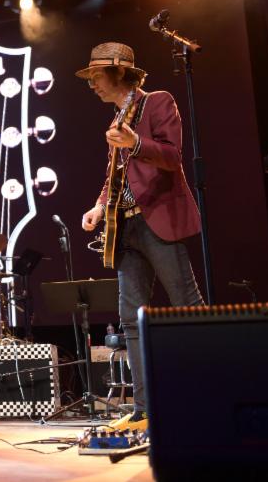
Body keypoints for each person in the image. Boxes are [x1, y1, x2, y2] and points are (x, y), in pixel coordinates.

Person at [77, 42, 204, 432]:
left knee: (186, 305)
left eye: (96, 76)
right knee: (131, 320)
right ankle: (146, 408)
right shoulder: (119, 118)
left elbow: (171, 155)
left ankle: (208, 389)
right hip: (125, 226)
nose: (91, 84)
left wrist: (135, 142)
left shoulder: (157, 102)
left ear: (118, 72)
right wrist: (100, 205)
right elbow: (113, 177)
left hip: (157, 219)